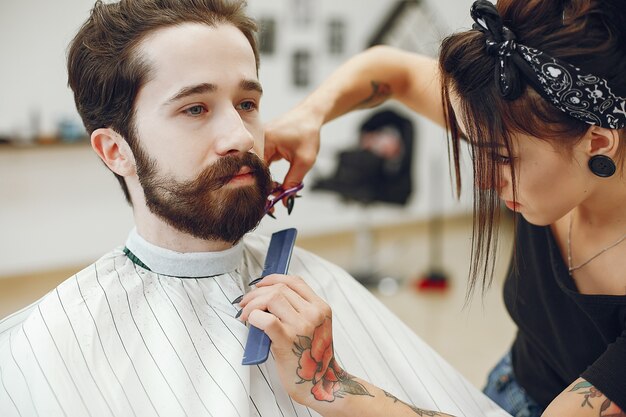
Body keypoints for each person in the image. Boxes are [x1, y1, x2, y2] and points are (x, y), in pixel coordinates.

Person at [0, 1, 508, 416]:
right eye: (195, 108)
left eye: (247, 104)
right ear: (116, 150)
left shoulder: (322, 283)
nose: (241, 136)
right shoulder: (45, 347)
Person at [243, 0, 626, 416]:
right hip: (508, 385)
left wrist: (330, 386)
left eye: (500, 158)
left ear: (599, 143)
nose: (483, 180)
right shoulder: (528, 112)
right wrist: (309, 115)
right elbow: (393, 70)